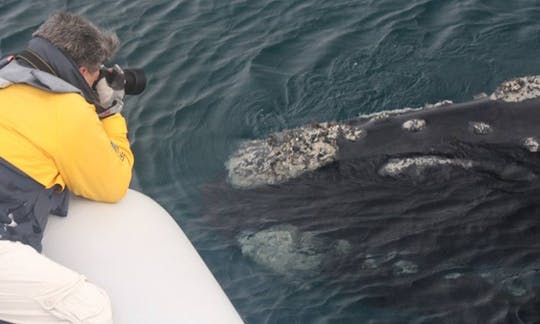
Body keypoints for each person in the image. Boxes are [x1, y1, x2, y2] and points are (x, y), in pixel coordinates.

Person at [0, 12, 135, 323]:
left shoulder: (7, 70)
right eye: (96, 73)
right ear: (82, 70)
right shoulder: (67, 109)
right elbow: (113, 185)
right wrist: (110, 112)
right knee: (91, 310)